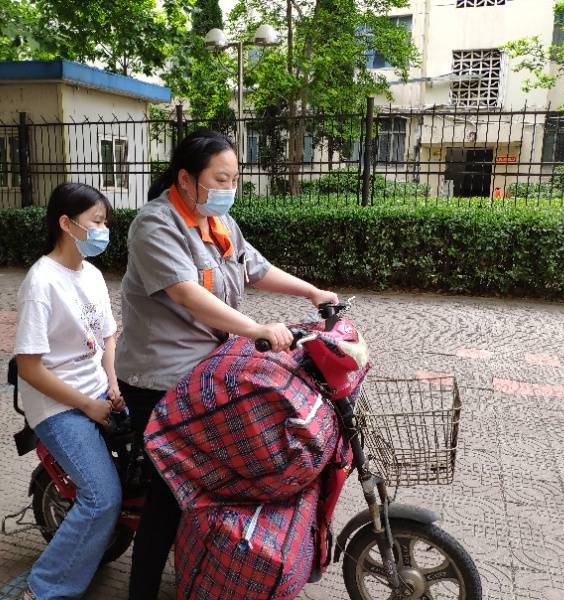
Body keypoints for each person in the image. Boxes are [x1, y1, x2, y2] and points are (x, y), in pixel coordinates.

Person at [116, 129, 339, 600]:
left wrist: (312, 291)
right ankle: (142, 591)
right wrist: (255, 329)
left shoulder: (219, 226)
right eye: (221, 178)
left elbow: (257, 269)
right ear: (186, 178)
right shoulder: (155, 225)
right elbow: (186, 293)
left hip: (210, 372)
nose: (229, 189)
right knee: (169, 493)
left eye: (234, 179)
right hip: (160, 378)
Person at [14, 182, 124, 600]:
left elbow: (108, 338)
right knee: (102, 497)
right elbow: (29, 367)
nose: (103, 231)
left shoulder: (91, 275)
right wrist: (88, 405)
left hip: (97, 392)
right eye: (96, 222)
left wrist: (112, 386)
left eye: (105, 223)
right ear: (66, 223)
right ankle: (44, 590)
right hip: (58, 407)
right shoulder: (41, 283)